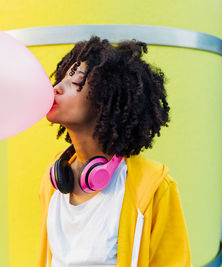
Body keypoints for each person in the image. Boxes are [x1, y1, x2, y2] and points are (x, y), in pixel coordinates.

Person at [38, 36, 192, 267]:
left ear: (104, 98)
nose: (56, 89)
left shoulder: (154, 186)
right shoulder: (55, 178)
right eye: (61, 79)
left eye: (75, 82)